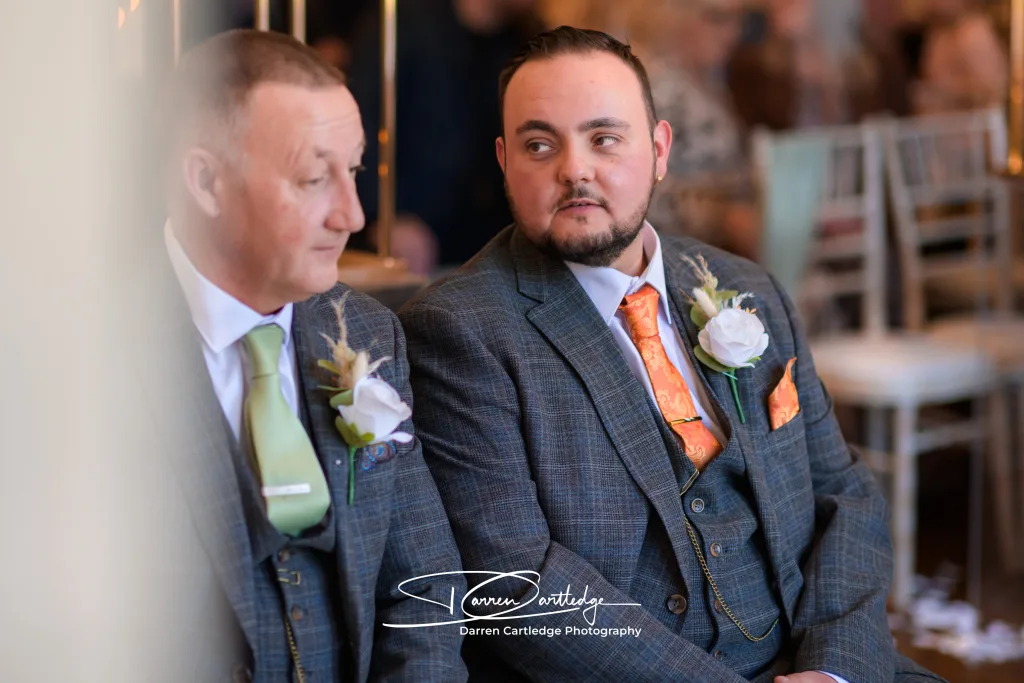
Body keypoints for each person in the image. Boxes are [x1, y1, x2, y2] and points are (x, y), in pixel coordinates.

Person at [398, 26, 946, 683]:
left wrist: (835, 667)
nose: (574, 168)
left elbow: (843, 489)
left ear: (659, 150)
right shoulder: (459, 330)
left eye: (604, 138)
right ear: (505, 162)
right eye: (539, 144)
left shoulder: (749, 288)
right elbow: (518, 587)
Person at [155, 29, 467, 682]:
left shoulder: (367, 330)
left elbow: (427, 592)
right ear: (208, 181)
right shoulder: (98, 351)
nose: (352, 215)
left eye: (352, 172)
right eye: (314, 178)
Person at [345, 0, 545, 275]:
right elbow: (359, 119)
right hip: (413, 234)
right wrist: (385, 217)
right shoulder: (405, 19)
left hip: (494, 238)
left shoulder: (528, 36)